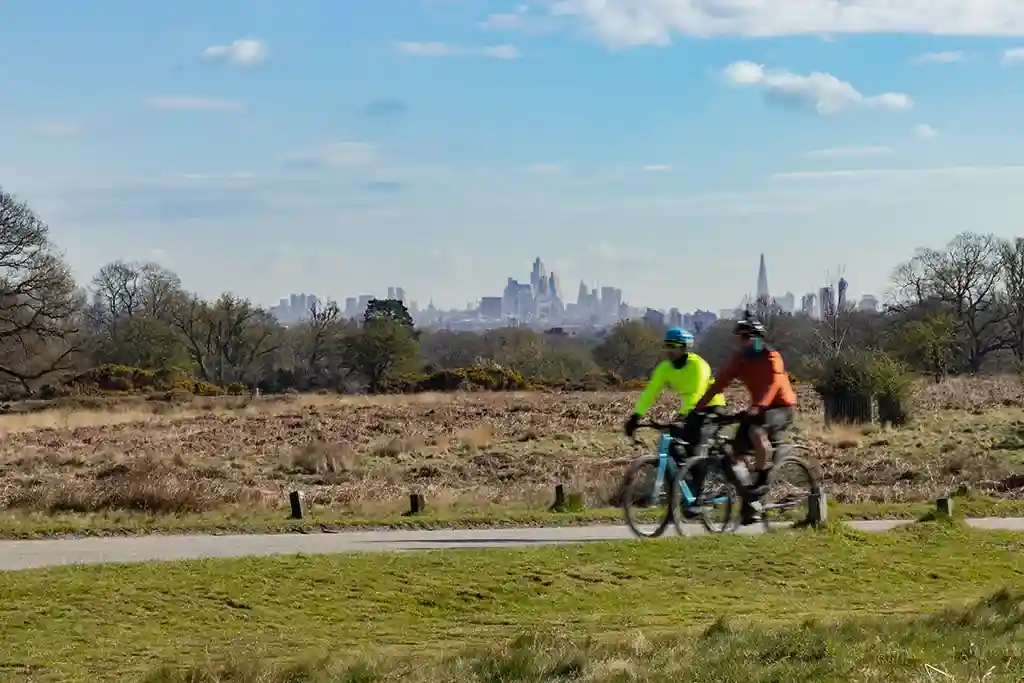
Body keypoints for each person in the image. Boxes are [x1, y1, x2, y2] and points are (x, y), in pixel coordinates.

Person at [692, 314, 797, 524]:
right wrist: (699, 407)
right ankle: (751, 503)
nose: (743, 342)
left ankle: (762, 479)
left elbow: (774, 384)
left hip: (781, 407)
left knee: (756, 431)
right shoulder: (740, 359)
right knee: (734, 455)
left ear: (758, 338)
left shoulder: (771, 356)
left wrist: (759, 406)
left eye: (747, 337)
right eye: (740, 338)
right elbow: (720, 382)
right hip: (757, 409)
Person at [623, 328, 727, 510]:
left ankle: (699, 496)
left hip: (710, 407)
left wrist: (683, 419)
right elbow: (651, 392)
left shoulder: (698, 366)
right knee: (673, 447)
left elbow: (695, 395)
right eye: (667, 346)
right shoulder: (665, 367)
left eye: (673, 346)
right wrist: (636, 416)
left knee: (697, 447)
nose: (669, 350)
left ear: (685, 347)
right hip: (689, 409)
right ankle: (682, 490)